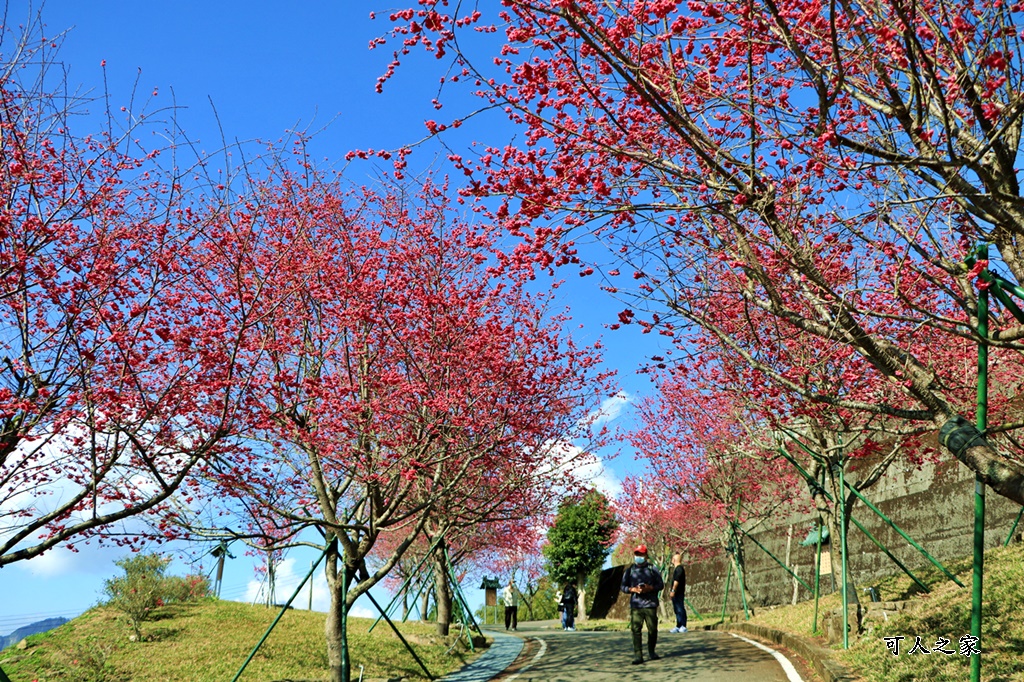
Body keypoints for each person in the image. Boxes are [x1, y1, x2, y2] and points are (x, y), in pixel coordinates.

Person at [620, 544, 664, 665]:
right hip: (636, 605)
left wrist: (650, 588)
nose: (638, 556)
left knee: (652, 630)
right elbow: (623, 587)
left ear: (646, 555)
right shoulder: (629, 571)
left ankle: (651, 651)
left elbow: (661, 585)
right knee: (635, 630)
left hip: (650, 604)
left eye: (641, 554)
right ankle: (638, 655)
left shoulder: (652, 569)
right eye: (636, 554)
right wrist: (632, 590)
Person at [669, 553, 688, 633]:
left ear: (674, 560)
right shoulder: (677, 569)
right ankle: (678, 625)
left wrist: (673, 590)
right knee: (677, 609)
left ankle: (682, 625)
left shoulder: (679, 569)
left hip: (678, 592)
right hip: (677, 593)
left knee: (680, 608)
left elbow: (676, 581)